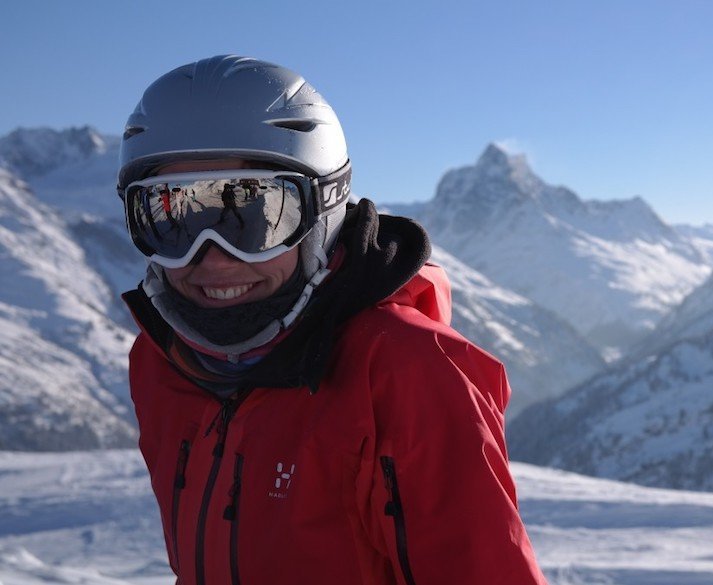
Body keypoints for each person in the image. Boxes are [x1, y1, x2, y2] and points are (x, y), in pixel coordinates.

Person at [117, 55, 548, 585]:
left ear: (324, 213)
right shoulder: (163, 364)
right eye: (171, 215)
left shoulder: (406, 375)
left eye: (255, 212)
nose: (212, 256)